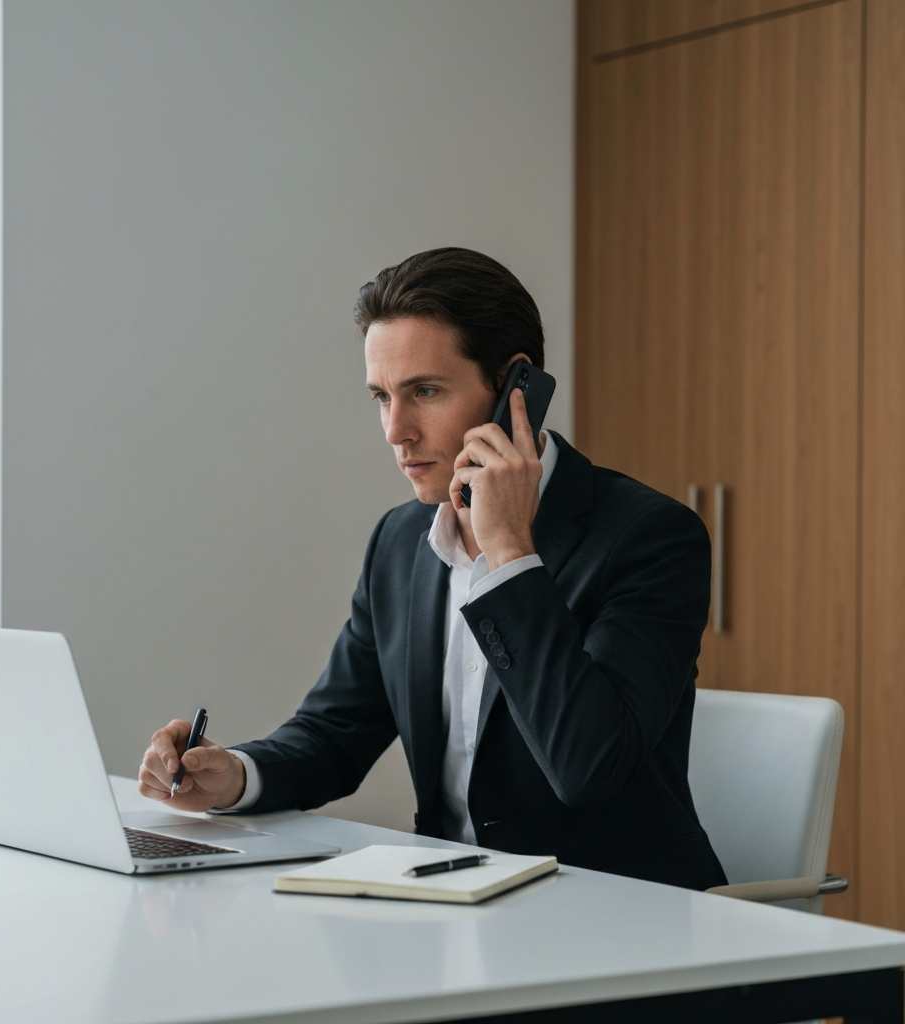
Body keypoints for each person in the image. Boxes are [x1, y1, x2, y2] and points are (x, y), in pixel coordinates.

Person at [138, 247, 727, 890]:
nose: (396, 430)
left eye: (424, 391)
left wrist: (508, 554)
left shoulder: (649, 537)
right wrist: (235, 776)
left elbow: (588, 766)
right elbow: (335, 731)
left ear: (514, 390)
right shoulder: (400, 542)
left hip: (618, 920)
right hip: (456, 912)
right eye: (382, 397)